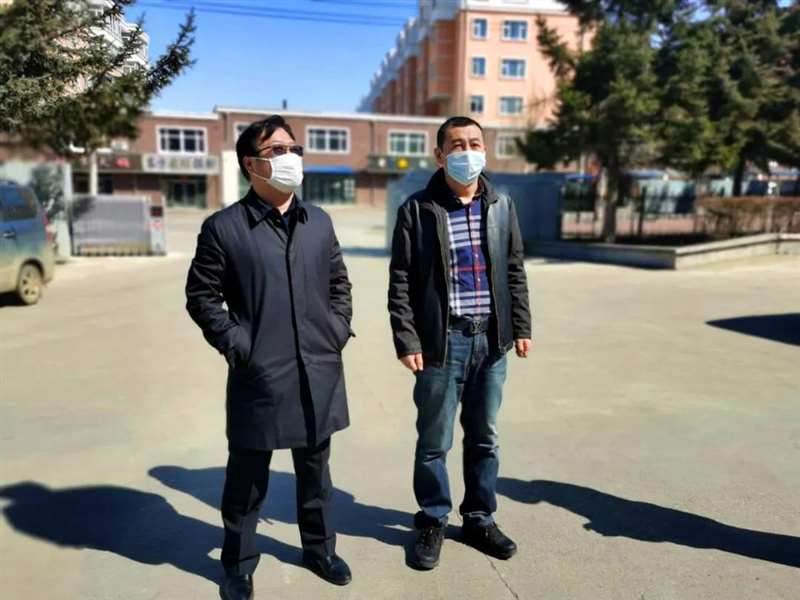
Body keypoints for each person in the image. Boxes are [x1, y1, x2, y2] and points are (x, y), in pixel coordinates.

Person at [185, 115, 354, 599]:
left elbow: (339, 283)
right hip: (260, 374)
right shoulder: (224, 228)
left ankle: (319, 549)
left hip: (317, 368)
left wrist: (336, 330)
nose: (290, 158)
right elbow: (202, 296)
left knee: (316, 472)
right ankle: (238, 563)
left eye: (293, 149)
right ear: (251, 164)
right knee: (247, 477)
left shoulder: (318, 222)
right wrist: (241, 346)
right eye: (277, 150)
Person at [388, 115, 532, 570]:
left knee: (485, 438)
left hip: (490, 341)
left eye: (474, 143)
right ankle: (433, 518)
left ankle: (478, 517)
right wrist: (406, 337)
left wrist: (521, 326)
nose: (467, 151)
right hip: (441, 343)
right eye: (457, 144)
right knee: (435, 440)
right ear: (440, 155)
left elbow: (514, 268)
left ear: (484, 150)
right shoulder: (417, 209)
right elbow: (401, 279)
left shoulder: (501, 205)